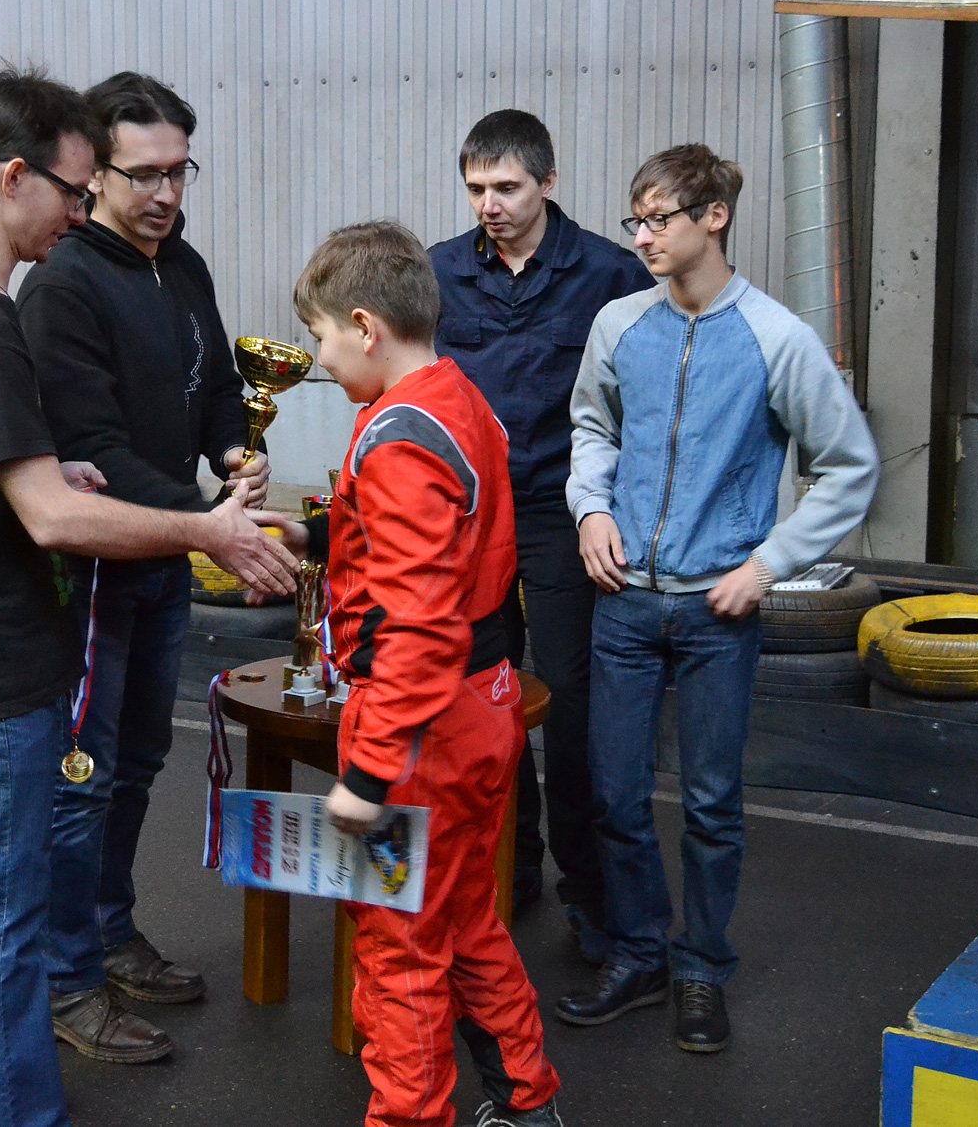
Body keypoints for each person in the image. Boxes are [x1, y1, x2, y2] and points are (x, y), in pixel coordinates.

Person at [0, 67, 295, 1127]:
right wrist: (207, 530)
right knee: (0, 916)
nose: (80, 209)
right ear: (15, 176)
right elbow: (50, 519)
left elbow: (1, 481)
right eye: (75, 187)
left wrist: (65, 473)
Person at [558, 144, 877, 1054]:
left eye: (659, 218)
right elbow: (591, 425)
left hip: (716, 610)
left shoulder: (776, 337)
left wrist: (767, 564)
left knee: (708, 802)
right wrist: (590, 510)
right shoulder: (620, 324)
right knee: (613, 796)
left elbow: (848, 467)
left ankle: (699, 965)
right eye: (635, 220)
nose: (642, 236)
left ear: (714, 217)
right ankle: (638, 955)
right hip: (623, 600)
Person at [262, 221, 565, 1127]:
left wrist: (366, 774)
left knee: (399, 952)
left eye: (319, 337)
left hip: (423, 732)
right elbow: (442, 545)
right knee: (464, 921)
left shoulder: (396, 437)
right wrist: (320, 536)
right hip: (479, 704)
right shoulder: (453, 398)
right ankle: (525, 1101)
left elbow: (420, 623)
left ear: (364, 327)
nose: (318, 358)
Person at [16, 71, 266, 1062]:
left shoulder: (182, 263)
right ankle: (65, 981)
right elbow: (91, 451)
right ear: (95, 174)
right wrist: (211, 522)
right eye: (144, 175)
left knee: (137, 762)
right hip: (94, 575)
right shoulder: (64, 285)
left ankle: (107, 931)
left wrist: (234, 451)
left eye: (180, 171)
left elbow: (218, 389)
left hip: (168, 557)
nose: (166, 194)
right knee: (81, 777)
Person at [429, 109, 648, 947]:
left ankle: (588, 893)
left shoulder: (610, 274)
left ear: (548, 182)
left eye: (507, 187)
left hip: (565, 513)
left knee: (567, 697)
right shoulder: (439, 272)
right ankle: (506, 870)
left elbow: (638, 405)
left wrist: (613, 511)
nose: (489, 205)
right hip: (471, 514)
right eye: (475, 189)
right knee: (487, 696)